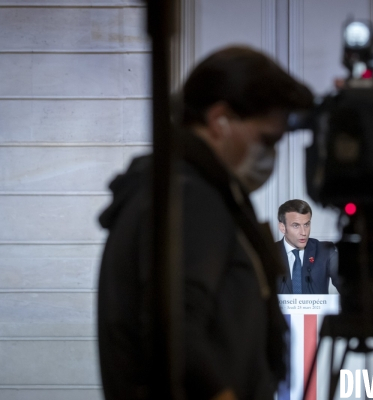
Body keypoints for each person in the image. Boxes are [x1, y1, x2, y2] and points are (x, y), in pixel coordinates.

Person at [96, 46, 313, 400]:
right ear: (219, 120)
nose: (271, 154)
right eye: (267, 139)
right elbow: (176, 332)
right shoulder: (190, 197)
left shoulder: (173, 189)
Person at [276, 199, 340, 294]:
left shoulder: (325, 251)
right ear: (283, 227)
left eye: (306, 224)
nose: (303, 232)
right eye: (296, 226)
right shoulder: (269, 252)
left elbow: (346, 286)